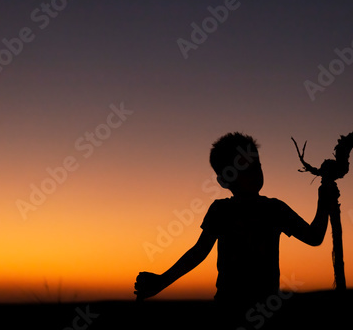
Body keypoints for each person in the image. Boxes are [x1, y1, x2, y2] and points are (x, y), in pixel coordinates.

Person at [134, 132, 338, 307]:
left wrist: (323, 202)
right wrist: (162, 281)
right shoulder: (220, 211)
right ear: (225, 180)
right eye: (244, 168)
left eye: (256, 165)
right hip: (227, 305)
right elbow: (198, 252)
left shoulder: (275, 209)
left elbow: (314, 237)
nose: (254, 172)